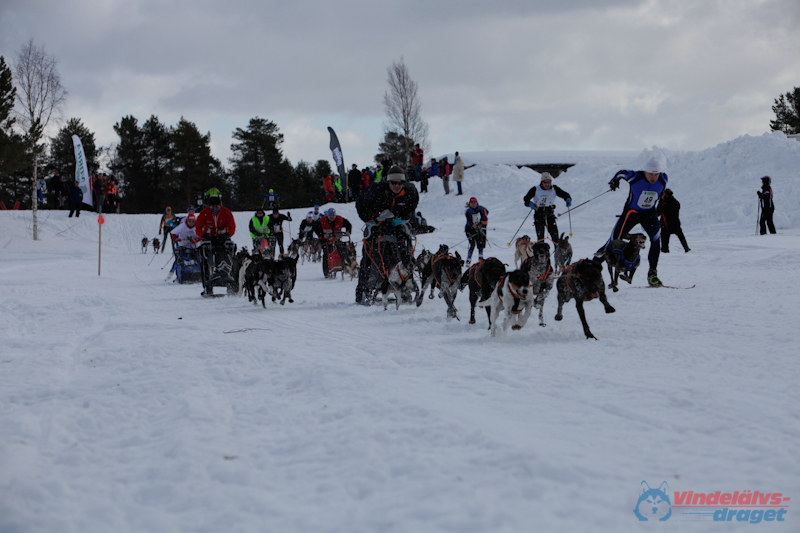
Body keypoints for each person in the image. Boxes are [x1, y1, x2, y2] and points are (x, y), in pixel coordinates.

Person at [594, 157, 668, 287]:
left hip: (649, 214)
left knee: (656, 239)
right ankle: (592, 268)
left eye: (656, 174)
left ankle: (652, 274)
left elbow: (660, 190)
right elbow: (621, 173)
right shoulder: (635, 177)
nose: (653, 177)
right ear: (645, 172)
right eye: (651, 174)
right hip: (631, 213)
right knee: (613, 241)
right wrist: (614, 181)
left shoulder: (663, 178)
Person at [355, 166, 420, 303]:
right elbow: (360, 205)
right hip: (377, 225)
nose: (397, 186)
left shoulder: (410, 192)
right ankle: (364, 288)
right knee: (371, 256)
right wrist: (371, 221)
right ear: (388, 182)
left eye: (400, 183)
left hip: (396, 225)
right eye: (393, 183)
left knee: (403, 253)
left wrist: (401, 219)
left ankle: (405, 285)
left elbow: (410, 208)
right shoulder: (375, 191)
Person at [195, 188, 237, 296]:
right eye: (213, 206)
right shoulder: (204, 213)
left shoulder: (226, 212)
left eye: (217, 206)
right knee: (205, 259)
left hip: (223, 238)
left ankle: (230, 278)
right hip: (209, 238)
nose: (215, 208)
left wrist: (228, 234)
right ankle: (207, 284)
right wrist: (203, 235)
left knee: (229, 255)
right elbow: (198, 228)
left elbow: (232, 227)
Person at [522, 172, 572, 243]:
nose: (547, 184)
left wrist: (568, 199)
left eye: (549, 182)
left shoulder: (554, 189)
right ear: (542, 182)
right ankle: (541, 253)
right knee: (540, 238)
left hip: (550, 214)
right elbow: (526, 199)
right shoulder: (535, 189)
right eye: (545, 182)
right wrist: (530, 204)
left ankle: (557, 252)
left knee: (555, 237)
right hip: (539, 215)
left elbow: (565, 194)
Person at [314, 207, 353, 277]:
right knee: (327, 253)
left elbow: (348, 224)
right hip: (324, 240)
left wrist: (348, 231)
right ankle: (326, 271)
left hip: (336, 239)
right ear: (327, 216)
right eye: (330, 216)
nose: (332, 218)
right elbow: (315, 228)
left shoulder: (340, 219)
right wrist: (322, 235)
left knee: (343, 249)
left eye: (333, 216)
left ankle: (344, 264)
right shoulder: (322, 221)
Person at [464, 197, 489, 266]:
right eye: (472, 203)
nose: (474, 205)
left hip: (478, 228)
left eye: (475, 203)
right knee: (472, 244)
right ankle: (468, 261)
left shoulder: (480, 209)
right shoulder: (468, 211)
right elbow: (470, 221)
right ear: (470, 204)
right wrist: (474, 225)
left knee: (480, 243)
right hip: (470, 229)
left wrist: (481, 224)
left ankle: (480, 260)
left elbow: (484, 217)